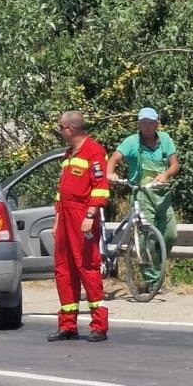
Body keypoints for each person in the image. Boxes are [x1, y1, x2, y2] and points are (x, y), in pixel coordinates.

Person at [50, 110, 112, 343]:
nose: (60, 131)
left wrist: (90, 214)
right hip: (65, 216)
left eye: (61, 127)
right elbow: (61, 192)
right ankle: (68, 325)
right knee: (64, 269)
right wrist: (57, 221)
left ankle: (98, 325)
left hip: (81, 215)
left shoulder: (93, 151)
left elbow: (100, 187)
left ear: (70, 128)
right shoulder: (69, 154)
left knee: (87, 266)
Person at [106, 107, 180, 259]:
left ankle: (157, 261)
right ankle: (151, 278)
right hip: (142, 194)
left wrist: (165, 174)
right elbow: (113, 159)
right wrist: (110, 174)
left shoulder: (165, 139)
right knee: (146, 236)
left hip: (162, 194)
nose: (147, 125)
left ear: (156, 124)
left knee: (171, 234)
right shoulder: (132, 142)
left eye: (150, 122)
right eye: (143, 122)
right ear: (139, 125)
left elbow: (175, 165)